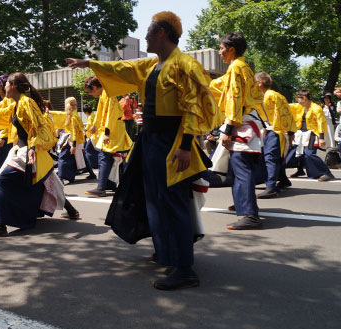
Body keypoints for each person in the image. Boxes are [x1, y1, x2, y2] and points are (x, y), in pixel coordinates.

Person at [67, 11, 221, 290]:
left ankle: (185, 268)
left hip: (172, 141)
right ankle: (167, 252)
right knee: (155, 199)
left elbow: (193, 108)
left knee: (173, 201)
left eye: (149, 34)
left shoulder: (185, 65)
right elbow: (123, 67)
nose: (146, 38)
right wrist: (88, 63)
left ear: (161, 33)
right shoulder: (153, 65)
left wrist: (186, 147)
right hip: (150, 140)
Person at [0, 72, 80, 238]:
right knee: (46, 181)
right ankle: (68, 210)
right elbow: (2, 114)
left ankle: (0, 225)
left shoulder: (27, 103)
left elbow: (37, 127)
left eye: (6, 85)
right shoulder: (16, 103)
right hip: (22, 150)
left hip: (30, 151)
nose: (4, 88)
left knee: (3, 181)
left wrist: (32, 147)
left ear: (14, 86)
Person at [209, 32, 265, 230]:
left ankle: (250, 214)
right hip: (249, 121)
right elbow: (220, 85)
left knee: (241, 169)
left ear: (231, 49)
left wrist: (229, 129)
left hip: (241, 123)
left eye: (221, 48)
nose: (219, 52)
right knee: (237, 169)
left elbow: (234, 99)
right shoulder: (242, 66)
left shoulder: (236, 67)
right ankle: (243, 204)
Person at [82, 76, 132, 197]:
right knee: (115, 156)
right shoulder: (105, 93)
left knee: (105, 156)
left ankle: (102, 187)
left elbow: (111, 114)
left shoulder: (108, 94)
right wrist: (95, 125)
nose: (91, 94)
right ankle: (110, 184)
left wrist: (107, 133)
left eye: (90, 91)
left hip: (113, 129)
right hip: (113, 128)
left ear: (94, 87)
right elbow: (101, 113)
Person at [253, 72, 297, 198]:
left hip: (276, 130)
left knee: (270, 157)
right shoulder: (262, 96)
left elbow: (285, 114)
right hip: (271, 129)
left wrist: (289, 132)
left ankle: (271, 186)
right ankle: (283, 179)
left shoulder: (272, 95)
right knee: (276, 157)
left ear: (260, 83)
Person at [286, 89, 335, 182]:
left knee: (309, 155)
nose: (298, 101)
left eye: (299, 99)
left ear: (305, 98)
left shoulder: (316, 108)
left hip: (312, 133)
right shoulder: (298, 106)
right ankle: (300, 170)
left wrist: (321, 138)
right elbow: (285, 106)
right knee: (296, 153)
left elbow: (321, 123)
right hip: (299, 133)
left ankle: (327, 172)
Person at [56, 97, 92, 183]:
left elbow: (74, 131)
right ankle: (69, 176)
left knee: (63, 158)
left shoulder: (72, 116)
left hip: (71, 140)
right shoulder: (73, 115)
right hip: (73, 140)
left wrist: (73, 144)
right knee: (72, 158)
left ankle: (61, 177)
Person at [83, 103, 99, 172]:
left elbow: (89, 124)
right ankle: (94, 164)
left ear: (86, 112)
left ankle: (92, 165)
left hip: (93, 136)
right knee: (93, 150)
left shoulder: (90, 117)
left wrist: (85, 130)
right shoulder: (94, 115)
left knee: (87, 150)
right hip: (95, 135)